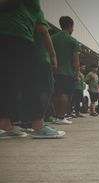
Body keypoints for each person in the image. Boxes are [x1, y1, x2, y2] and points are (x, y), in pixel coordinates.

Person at [0, 0, 64, 139]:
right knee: (30, 82)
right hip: (18, 35)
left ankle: (4, 125)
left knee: (7, 82)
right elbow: (43, 29)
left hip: (8, 35)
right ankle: (37, 125)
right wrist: (53, 55)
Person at [51, 16, 81, 125]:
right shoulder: (72, 41)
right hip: (67, 72)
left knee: (55, 93)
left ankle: (55, 116)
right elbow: (75, 60)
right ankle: (61, 117)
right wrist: (77, 74)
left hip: (54, 70)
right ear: (70, 26)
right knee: (65, 94)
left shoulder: (53, 38)